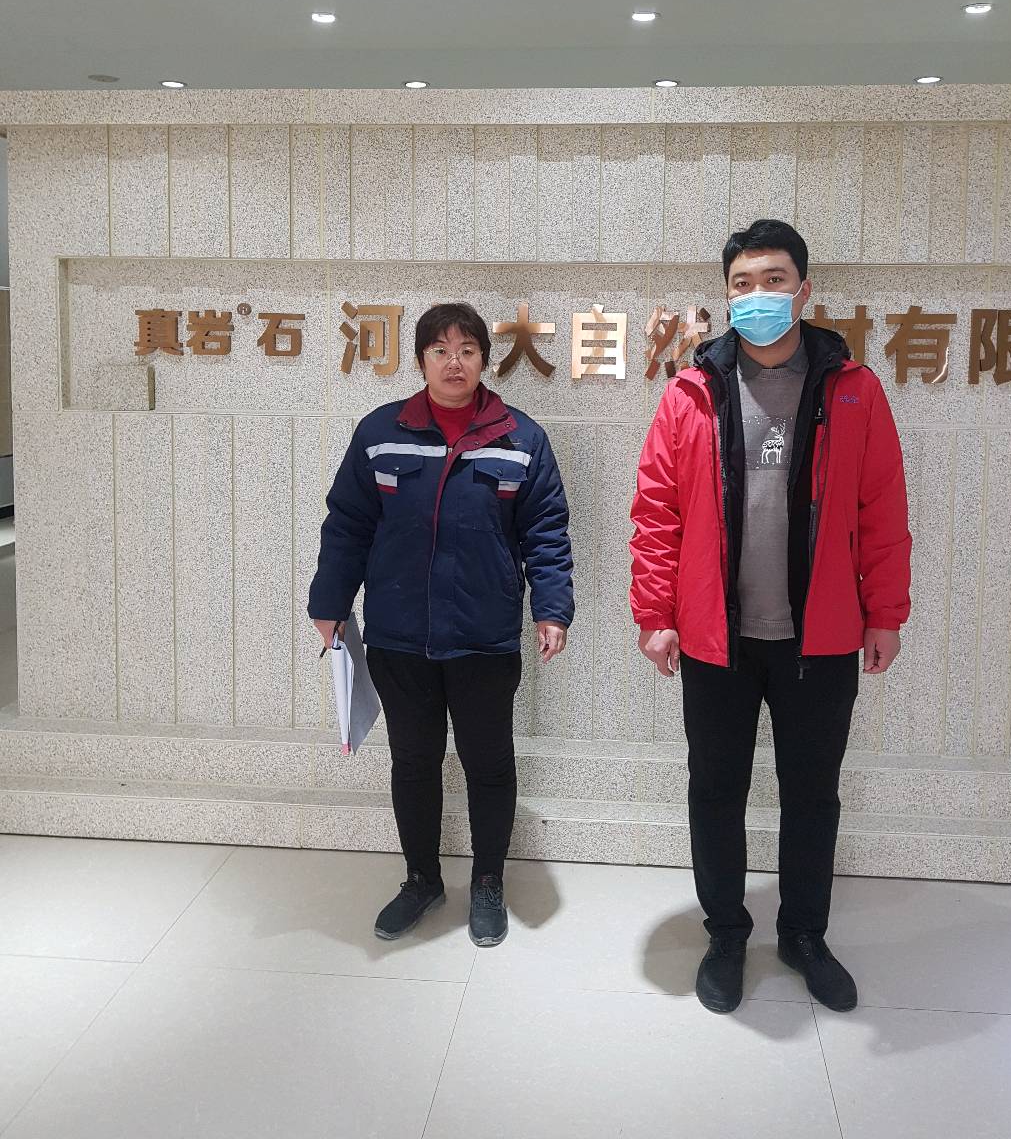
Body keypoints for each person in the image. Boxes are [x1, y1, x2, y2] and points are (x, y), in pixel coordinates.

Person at [630, 219, 911, 1014]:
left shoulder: (853, 390)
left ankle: (804, 935)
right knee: (715, 791)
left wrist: (885, 613)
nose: (758, 295)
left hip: (820, 637)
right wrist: (655, 612)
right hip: (715, 636)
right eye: (743, 284)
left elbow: (883, 509)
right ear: (727, 297)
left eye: (774, 280)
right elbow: (656, 513)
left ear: (804, 290)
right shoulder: (691, 392)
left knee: (812, 794)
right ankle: (726, 933)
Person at [309, 302, 574, 948]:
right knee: (413, 761)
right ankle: (421, 880)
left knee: (489, 763)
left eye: (467, 350)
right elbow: (347, 525)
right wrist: (330, 602)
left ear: (485, 359)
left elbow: (545, 531)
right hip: (400, 633)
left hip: (484, 634)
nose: (454, 363)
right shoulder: (381, 432)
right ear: (420, 359)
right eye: (440, 351)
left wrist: (551, 608)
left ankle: (487, 882)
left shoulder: (520, 438)